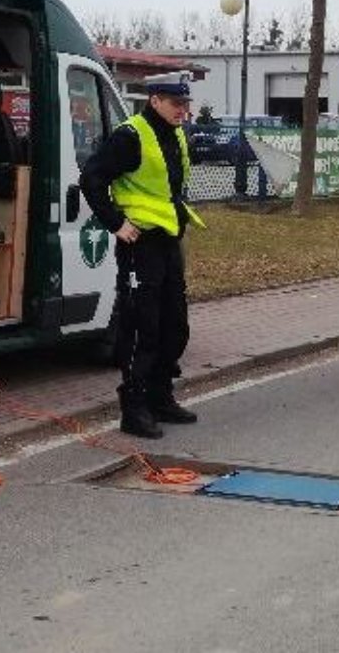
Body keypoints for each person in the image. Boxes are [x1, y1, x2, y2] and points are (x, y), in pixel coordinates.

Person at [80, 72, 206, 439]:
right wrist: (116, 223)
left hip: (167, 239)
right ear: (155, 100)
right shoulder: (130, 136)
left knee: (174, 323)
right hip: (140, 244)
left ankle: (161, 395)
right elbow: (92, 179)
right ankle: (133, 408)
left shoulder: (175, 133)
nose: (183, 110)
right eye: (176, 103)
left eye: (186, 103)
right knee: (141, 325)